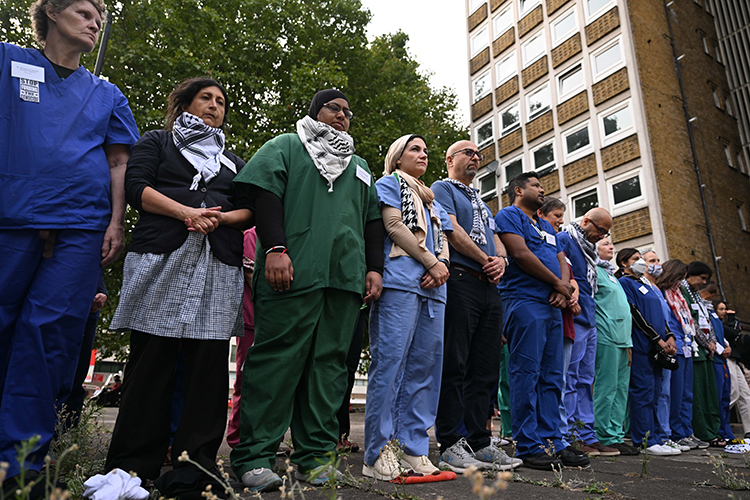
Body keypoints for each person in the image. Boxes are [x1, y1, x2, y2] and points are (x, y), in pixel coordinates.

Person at [0, 0, 139, 482]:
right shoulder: (7, 62)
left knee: (49, 339)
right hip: (10, 218)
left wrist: (115, 222)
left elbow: (119, 162)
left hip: (80, 228)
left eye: (100, 16)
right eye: (83, 11)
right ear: (52, 13)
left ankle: (21, 470)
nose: (95, 21)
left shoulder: (107, 93)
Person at [103, 78, 253, 494]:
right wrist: (187, 211)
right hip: (162, 259)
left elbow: (248, 208)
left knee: (207, 370)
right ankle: (130, 467)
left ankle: (195, 469)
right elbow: (137, 188)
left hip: (216, 264)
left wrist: (219, 218)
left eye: (221, 101)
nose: (214, 106)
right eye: (206, 98)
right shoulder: (157, 141)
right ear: (185, 103)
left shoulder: (233, 161)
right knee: (151, 362)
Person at [230, 89, 384, 491]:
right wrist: (277, 248)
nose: (343, 116)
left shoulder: (360, 165)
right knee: (276, 362)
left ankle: (314, 459)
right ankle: (255, 457)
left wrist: (374, 269)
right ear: (315, 111)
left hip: (343, 279)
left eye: (349, 112)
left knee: (330, 368)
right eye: (335, 108)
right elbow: (265, 197)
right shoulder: (286, 146)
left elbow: (371, 221)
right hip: (292, 270)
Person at [363, 135, 452, 479]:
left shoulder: (430, 198)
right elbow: (395, 226)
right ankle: (377, 453)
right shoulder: (388, 183)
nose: (423, 154)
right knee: (391, 365)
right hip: (400, 283)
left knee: (425, 369)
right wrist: (432, 262)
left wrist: (440, 266)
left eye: (426, 150)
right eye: (415, 149)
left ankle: (413, 447)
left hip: (434, 288)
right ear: (397, 157)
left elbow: (442, 237)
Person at [431, 140, 519, 473]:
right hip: (461, 279)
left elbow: (496, 238)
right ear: (450, 158)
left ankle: (480, 442)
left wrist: (501, 261)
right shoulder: (443, 188)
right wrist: (486, 260)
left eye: (478, 154)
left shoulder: (481, 200)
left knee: (485, 367)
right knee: (455, 363)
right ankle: (450, 443)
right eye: (468, 152)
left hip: (488, 286)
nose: (476, 157)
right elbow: (451, 230)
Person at [495, 172, 589, 470]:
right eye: (535, 185)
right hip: (524, 302)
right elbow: (521, 254)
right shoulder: (509, 215)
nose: (542, 188)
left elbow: (561, 259)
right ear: (518, 189)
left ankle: (554, 441)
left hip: (551, 306)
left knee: (552, 376)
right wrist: (558, 286)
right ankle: (528, 444)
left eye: (542, 185)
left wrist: (562, 287)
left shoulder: (545, 225)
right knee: (526, 372)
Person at [556, 207, 615, 456]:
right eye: (600, 230)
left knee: (585, 379)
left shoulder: (590, 250)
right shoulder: (565, 238)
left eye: (606, 233)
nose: (601, 237)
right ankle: (568, 434)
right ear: (586, 221)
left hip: (589, 319)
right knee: (569, 377)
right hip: (574, 317)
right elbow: (562, 272)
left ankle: (586, 434)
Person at [616, 249, 678, 456]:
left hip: (659, 347)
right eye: (635, 259)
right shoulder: (626, 283)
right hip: (643, 345)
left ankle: (658, 437)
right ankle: (645, 440)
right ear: (624, 262)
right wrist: (657, 339)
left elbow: (661, 314)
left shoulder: (647, 284)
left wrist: (669, 336)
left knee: (656, 392)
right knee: (642, 392)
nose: (641, 262)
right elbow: (635, 314)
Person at [536, 197, 580, 450]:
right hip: (549, 314)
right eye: (556, 216)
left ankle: (558, 434)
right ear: (541, 214)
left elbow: (570, 278)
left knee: (558, 380)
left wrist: (570, 292)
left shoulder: (558, 245)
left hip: (565, 323)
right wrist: (562, 290)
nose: (561, 222)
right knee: (544, 378)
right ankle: (546, 434)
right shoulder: (539, 239)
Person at [592, 238, 637, 455]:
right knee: (606, 387)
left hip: (624, 339)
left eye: (611, 244)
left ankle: (616, 435)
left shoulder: (611, 274)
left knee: (620, 390)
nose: (611, 247)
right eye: (605, 244)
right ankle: (603, 435)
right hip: (607, 336)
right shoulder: (594, 271)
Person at [642, 250, 689, 453]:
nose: (657, 264)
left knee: (667, 393)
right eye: (652, 261)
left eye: (658, 260)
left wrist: (669, 337)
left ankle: (665, 434)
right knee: (655, 392)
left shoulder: (657, 290)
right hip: (653, 343)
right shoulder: (644, 287)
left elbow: (667, 320)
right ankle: (656, 434)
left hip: (670, 343)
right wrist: (659, 339)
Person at [657, 259, 707, 450]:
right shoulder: (662, 292)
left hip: (687, 344)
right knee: (674, 393)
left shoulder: (678, 294)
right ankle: (676, 432)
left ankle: (686, 431)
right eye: (679, 277)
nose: (681, 281)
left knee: (687, 393)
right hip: (675, 346)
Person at [680, 261, 721, 446]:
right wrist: (706, 343)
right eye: (702, 278)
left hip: (706, 351)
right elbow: (690, 320)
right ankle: (702, 431)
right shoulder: (683, 290)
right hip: (696, 350)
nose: (703, 283)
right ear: (690, 274)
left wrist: (712, 341)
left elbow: (706, 320)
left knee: (709, 394)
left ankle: (713, 430)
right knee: (697, 394)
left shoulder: (697, 295)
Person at [227, 228, 257, 449]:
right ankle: (238, 437)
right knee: (246, 380)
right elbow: (250, 275)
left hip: (280, 320)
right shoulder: (251, 235)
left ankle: (267, 439)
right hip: (253, 320)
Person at [700, 283, 735, 442]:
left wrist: (727, 346)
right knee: (716, 397)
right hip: (714, 359)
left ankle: (726, 430)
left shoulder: (714, 315)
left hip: (722, 361)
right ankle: (719, 431)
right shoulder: (705, 312)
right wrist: (721, 350)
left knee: (725, 397)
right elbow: (707, 334)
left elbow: (719, 335)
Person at [716, 300, 750, 438]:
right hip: (725, 358)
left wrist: (732, 318)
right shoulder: (715, 323)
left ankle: (749, 430)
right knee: (733, 393)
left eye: (725, 309)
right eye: (721, 309)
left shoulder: (726, 322)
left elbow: (736, 330)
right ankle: (717, 423)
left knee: (745, 396)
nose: (724, 312)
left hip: (735, 360)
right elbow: (732, 332)